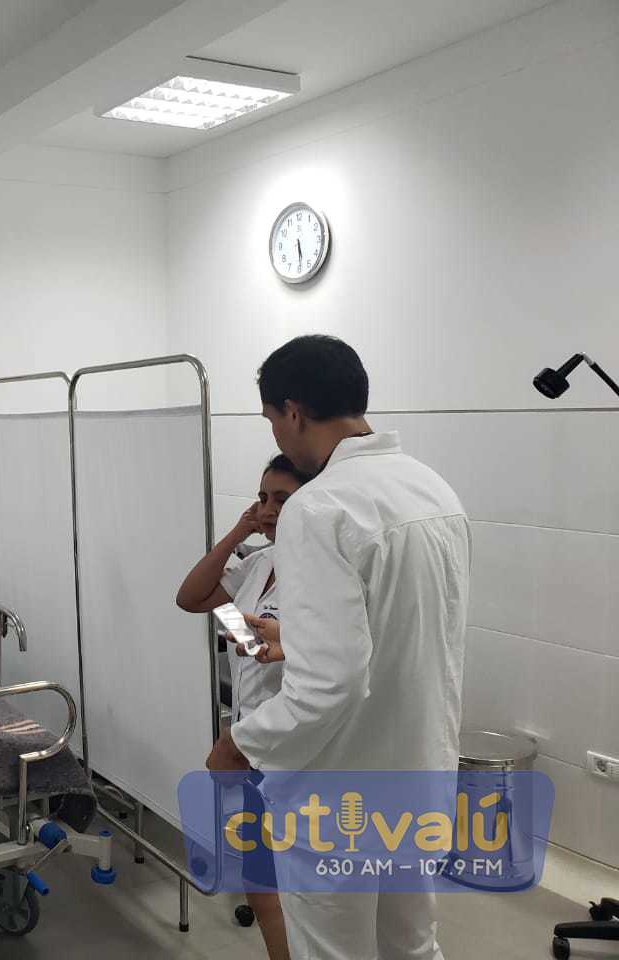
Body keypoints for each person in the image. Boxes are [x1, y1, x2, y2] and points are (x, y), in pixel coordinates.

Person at [205, 335, 471, 960]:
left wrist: (241, 743)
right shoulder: (432, 489)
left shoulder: (319, 506)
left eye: (272, 420)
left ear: (293, 411)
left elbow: (332, 684)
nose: (277, 434)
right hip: (419, 772)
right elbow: (411, 632)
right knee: (411, 944)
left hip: (339, 796)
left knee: (333, 949)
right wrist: (299, 638)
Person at [177, 453, 312, 960]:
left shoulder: (321, 573)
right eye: (262, 498)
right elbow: (192, 597)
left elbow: (336, 658)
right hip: (253, 737)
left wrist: (283, 643)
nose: (268, 508)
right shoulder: (260, 564)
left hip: (295, 745)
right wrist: (239, 532)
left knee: (291, 879)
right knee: (262, 877)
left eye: (282, 499)